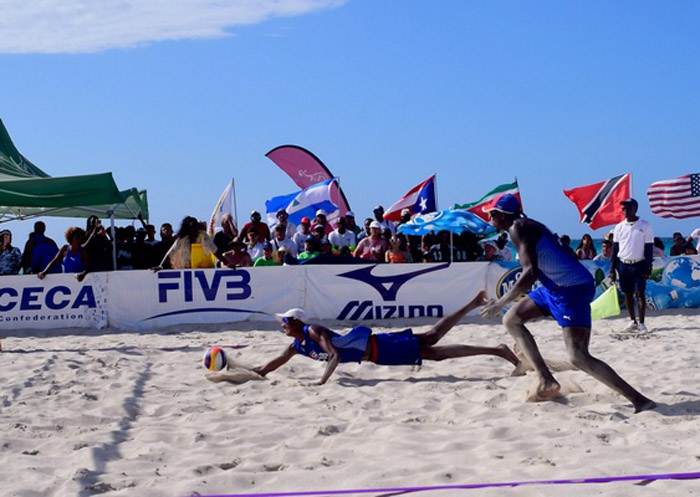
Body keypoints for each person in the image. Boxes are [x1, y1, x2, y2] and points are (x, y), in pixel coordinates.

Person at [480, 194, 655, 413]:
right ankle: (546, 379)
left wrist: (501, 301)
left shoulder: (518, 228)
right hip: (554, 287)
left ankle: (640, 400)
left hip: (571, 289)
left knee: (579, 356)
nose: (489, 218)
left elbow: (530, 272)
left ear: (502, 215)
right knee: (511, 319)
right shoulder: (522, 225)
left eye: (491, 214)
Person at [254, 291, 519, 385]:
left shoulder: (312, 331)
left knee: (434, 345)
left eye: (285, 322)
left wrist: (321, 382)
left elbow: (334, 356)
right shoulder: (297, 345)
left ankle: (498, 349)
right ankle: (475, 306)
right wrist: (253, 372)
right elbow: (272, 364)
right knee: (432, 340)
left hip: (378, 347)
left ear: (297, 321)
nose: (283, 326)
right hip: (377, 353)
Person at [609, 198, 654, 333]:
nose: (625, 211)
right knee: (627, 293)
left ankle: (641, 323)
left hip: (639, 264)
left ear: (635, 209)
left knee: (640, 293)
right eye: (623, 208)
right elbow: (615, 249)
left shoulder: (645, 225)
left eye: (628, 208)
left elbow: (649, 248)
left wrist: (648, 267)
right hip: (623, 265)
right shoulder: (619, 227)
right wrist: (612, 269)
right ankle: (632, 321)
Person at [153, 216, 228, 270]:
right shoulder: (182, 239)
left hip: (205, 268)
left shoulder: (203, 236)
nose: (195, 231)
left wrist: (226, 262)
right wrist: (161, 266)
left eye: (196, 227)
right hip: (187, 269)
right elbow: (171, 253)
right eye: (192, 228)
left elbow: (214, 250)